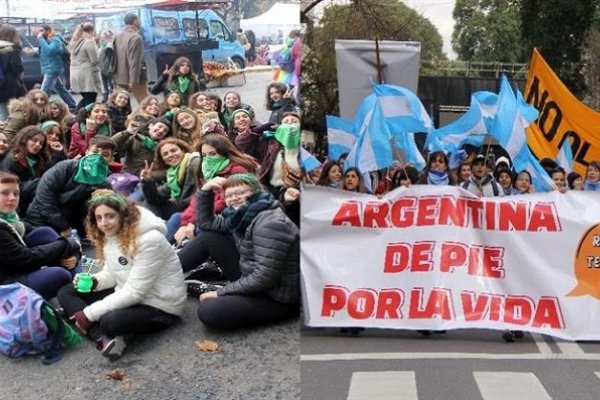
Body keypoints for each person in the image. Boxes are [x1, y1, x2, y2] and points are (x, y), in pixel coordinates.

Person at [57, 189, 186, 360]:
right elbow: (113, 273)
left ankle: (84, 320)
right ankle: (99, 336)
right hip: (129, 292)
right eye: (99, 218)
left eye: (110, 216)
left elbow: (135, 291)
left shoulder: (150, 240)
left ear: (123, 215)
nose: (104, 223)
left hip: (160, 303)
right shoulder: (112, 235)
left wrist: (89, 314)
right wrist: (94, 281)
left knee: (110, 322)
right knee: (66, 292)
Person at [192, 173, 299, 329]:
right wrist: (206, 191)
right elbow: (206, 223)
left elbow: (264, 277)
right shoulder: (239, 217)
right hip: (253, 276)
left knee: (209, 310)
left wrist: (222, 292)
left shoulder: (270, 222)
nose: (234, 198)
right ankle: (169, 273)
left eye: (241, 193)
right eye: (229, 195)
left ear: (256, 193)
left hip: (278, 297)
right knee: (209, 236)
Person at [0, 171, 79, 299]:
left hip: (16, 268)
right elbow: (26, 258)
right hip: (6, 284)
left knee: (44, 232)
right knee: (60, 275)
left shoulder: (11, 219)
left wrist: (73, 251)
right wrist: (66, 244)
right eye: (5, 193)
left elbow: (41, 233)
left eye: (16, 193)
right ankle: (74, 292)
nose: (12, 198)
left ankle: (75, 286)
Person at [172, 133, 256, 247]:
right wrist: (185, 223)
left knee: (202, 228)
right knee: (177, 218)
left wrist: (193, 221)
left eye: (213, 154)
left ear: (225, 153)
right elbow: (197, 199)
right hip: (206, 214)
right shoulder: (206, 171)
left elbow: (223, 203)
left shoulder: (237, 170)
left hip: (228, 217)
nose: (208, 159)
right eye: (204, 155)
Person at [25, 136, 116, 237]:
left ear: (111, 160)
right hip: (39, 221)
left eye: (105, 155)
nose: (98, 158)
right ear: (87, 152)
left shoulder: (104, 185)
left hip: (72, 230)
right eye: (95, 152)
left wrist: (100, 200)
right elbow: (44, 197)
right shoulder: (65, 168)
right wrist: (63, 226)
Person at [139, 138, 200, 220]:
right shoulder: (173, 174)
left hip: (196, 209)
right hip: (182, 207)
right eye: (165, 154)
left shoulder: (195, 162)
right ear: (164, 161)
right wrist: (148, 181)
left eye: (173, 150)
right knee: (148, 203)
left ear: (183, 150)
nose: (170, 155)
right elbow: (155, 198)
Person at [0, 125, 51, 215]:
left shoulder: (37, 159)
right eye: (34, 140)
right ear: (25, 140)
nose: (37, 145)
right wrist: (39, 183)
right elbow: (12, 187)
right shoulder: (13, 160)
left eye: (41, 143)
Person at [37, 25, 77, 111]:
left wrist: (40, 39)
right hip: (49, 68)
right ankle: (72, 106)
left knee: (44, 90)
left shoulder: (56, 40)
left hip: (52, 69)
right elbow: (44, 53)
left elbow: (50, 51)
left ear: (48, 31)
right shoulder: (46, 40)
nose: (39, 32)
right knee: (61, 89)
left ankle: (39, 110)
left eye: (41, 30)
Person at [114, 13, 148, 103]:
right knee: (144, 103)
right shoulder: (136, 37)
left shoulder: (117, 36)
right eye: (139, 20)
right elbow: (135, 61)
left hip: (119, 77)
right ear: (135, 21)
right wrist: (133, 80)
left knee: (120, 104)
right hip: (134, 77)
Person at [69, 22, 102, 109]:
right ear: (92, 31)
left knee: (86, 98)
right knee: (91, 100)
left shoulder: (75, 42)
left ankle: (78, 115)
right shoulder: (89, 42)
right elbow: (95, 60)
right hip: (88, 76)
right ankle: (86, 118)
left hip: (76, 75)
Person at [0, 24, 27, 121]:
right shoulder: (12, 50)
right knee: (17, 113)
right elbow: (18, 70)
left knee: (2, 113)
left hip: (1, 87)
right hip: (11, 86)